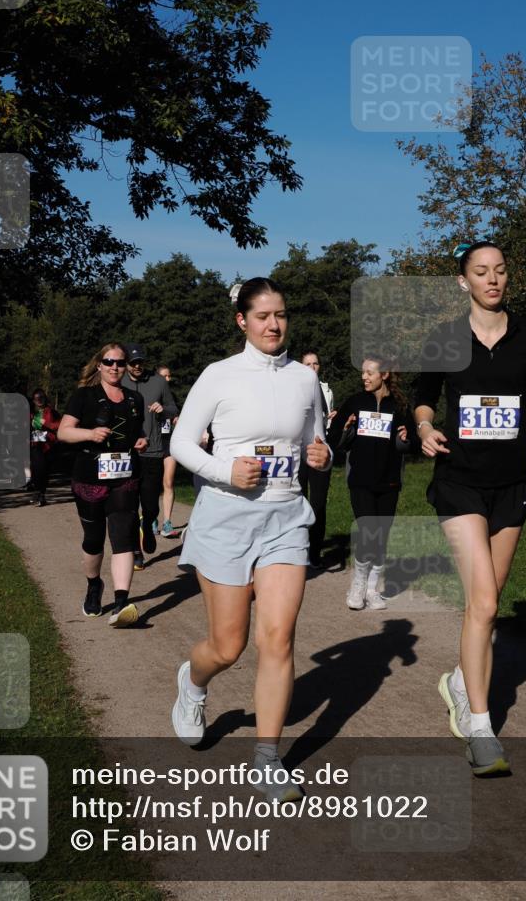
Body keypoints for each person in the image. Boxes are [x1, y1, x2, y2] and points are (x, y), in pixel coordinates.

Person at [169, 278, 331, 800]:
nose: (274, 325)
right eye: (262, 316)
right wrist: (222, 472)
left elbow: (315, 441)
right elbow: (181, 442)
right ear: (242, 320)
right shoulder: (219, 376)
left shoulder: (305, 380)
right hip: (227, 518)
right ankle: (193, 685)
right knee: (228, 645)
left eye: (280, 314)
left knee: (278, 639)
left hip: (285, 517)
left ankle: (267, 759)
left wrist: (321, 455)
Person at [414, 241, 526, 776]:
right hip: (460, 481)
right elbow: (424, 392)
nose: (493, 279)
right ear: (464, 281)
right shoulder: (446, 337)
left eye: (501, 270)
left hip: (513, 484)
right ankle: (479, 725)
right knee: (482, 602)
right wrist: (425, 425)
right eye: (481, 272)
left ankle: (460, 677)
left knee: (489, 602)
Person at [58, 344, 149, 627]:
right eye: (109, 362)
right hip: (89, 477)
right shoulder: (84, 396)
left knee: (123, 536)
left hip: (124, 476)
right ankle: (94, 584)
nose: (115, 367)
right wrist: (90, 433)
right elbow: (63, 432)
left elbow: (138, 432)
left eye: (120, 363)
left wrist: (141, 440)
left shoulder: (135, 399)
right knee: (94, 540)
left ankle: (121, 603)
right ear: (99, 365)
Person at [327, 355, 417, 609]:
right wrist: (345, 430)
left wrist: (406, 437)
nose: (364, 377)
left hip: (389, 481)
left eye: (369, 372)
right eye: (363, 372)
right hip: (360, 479)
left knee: (381, 536)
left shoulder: (400, 406)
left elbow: (413, 445)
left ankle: (372, 589)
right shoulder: (355, 402)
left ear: (384, 375)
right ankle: (357, 585)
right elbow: (334, 436)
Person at [121, 345, 178, 566]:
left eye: (140, 362)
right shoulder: (119, 382)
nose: (136, 366)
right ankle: (136, 550)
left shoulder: (158, 382)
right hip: (126, 452)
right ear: (126, 363)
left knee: (150, 503)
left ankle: (149, 524)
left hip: (153, 451)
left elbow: (174, 408)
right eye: (133, 362)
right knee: (129, 504)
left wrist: (163, 408)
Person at [298, 352, 337, 567]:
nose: (312, 367)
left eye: (315, 363)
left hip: (321, 450)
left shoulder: (326, 390)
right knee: (299, 500)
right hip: (299, 451)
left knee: (319, 503)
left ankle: (315, 552)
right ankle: (299, 549)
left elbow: (325, 422)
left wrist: (334, 417)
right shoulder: (294, 387)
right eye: (307, 364)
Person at [155, 363, 178, 537]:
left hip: (169, 442)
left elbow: (179, 418)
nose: (168, 379)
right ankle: (150, 518)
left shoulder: (173, 398)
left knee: (168, 482)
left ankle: (167, 522)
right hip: (152, 443)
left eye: (169, 376)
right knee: (151, 485)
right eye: (164, 376)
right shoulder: (150, 395)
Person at [28, 389, 61, 507]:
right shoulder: (30, 412)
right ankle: (37, 492)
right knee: (38, 467)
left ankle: (41, 494)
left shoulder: (52, 412)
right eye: (36, 398)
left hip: (48, 445)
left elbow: (59, 426)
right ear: (33, 400)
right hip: (35, 444)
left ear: (45, 398)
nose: (39, 400)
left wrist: (46, 424)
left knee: (45, 470)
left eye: (41, 398)